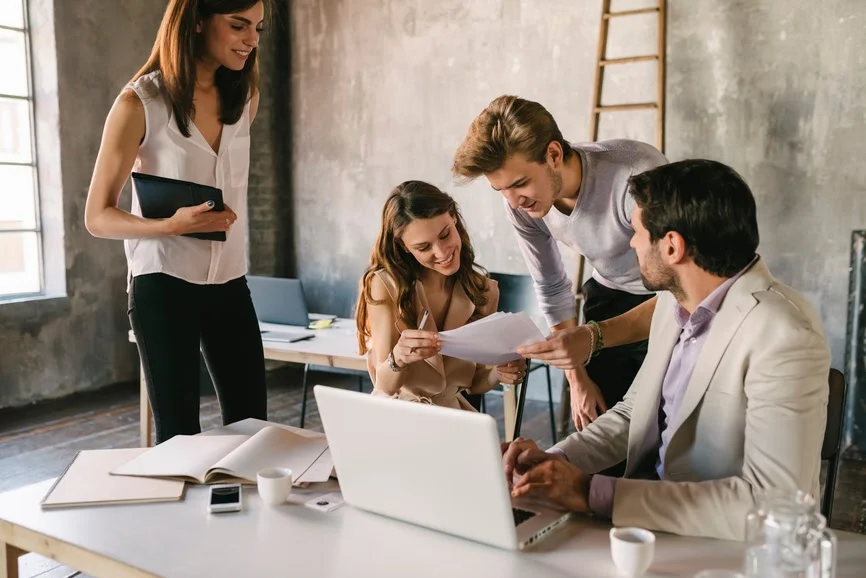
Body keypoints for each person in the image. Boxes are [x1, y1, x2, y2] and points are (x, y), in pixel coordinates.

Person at [500, 159, 830, 541]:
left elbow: (773, 504)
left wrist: (589, 492)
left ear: (672, 245)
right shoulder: (673, 304)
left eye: (637, 232)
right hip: (642, 524)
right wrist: (555, 461)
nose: (632, 242)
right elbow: (631, 414)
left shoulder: (784, 334)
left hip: (719, 546)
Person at [84, 0, 272, 443]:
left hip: (229, 280)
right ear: (198, 22)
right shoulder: (139, 103)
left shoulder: (245, 98)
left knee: (253, 428)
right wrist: (170, 225)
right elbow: (97, 216)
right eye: (239, 25)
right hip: (163, 285)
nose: (252, 40)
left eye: (258, 28)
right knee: (178, 436)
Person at [453, 95, 667, 433]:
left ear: (553, 154)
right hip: (609, 294)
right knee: (605, 432)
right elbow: (551, 286)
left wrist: (592, 337)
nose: (514, 201)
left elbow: (682, 292)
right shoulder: (521, 204)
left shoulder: (637, 175)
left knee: (663, 429)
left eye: (520, 183)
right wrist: (577, 377)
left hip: (669, 297)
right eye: (501, 190)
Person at [355, 181, 526, 409]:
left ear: (453, 216)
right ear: (403, 246)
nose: (442, 252)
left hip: (454, 415)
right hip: (400, 414)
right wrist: (399, 357)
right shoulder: (384, 286)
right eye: (424, 247)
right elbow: (385, 386)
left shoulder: (482, 291)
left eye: (445, 235)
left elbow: (474, 382)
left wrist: (499, 373)